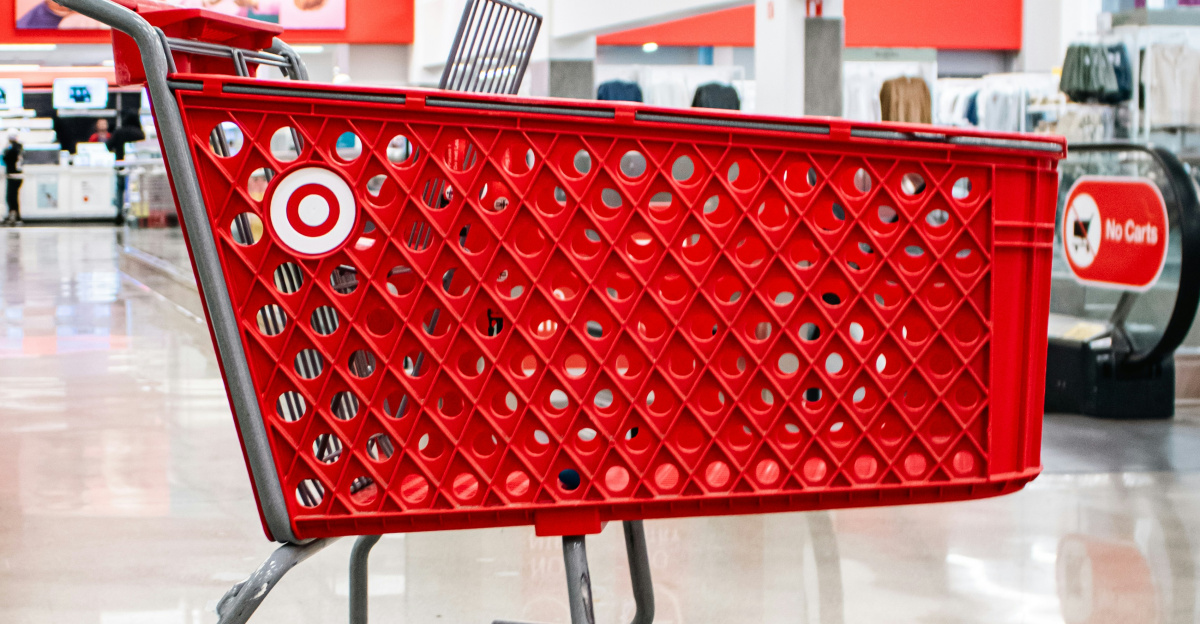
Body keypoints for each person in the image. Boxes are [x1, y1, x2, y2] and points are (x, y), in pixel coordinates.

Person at [4, 133, 23, 226]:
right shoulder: (19, 148)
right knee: (14, 197)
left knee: (11, 197)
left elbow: (6, 158)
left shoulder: (12, 149)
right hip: (17, 175)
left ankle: (14, 216)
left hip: (13, 175)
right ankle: (16, 215)